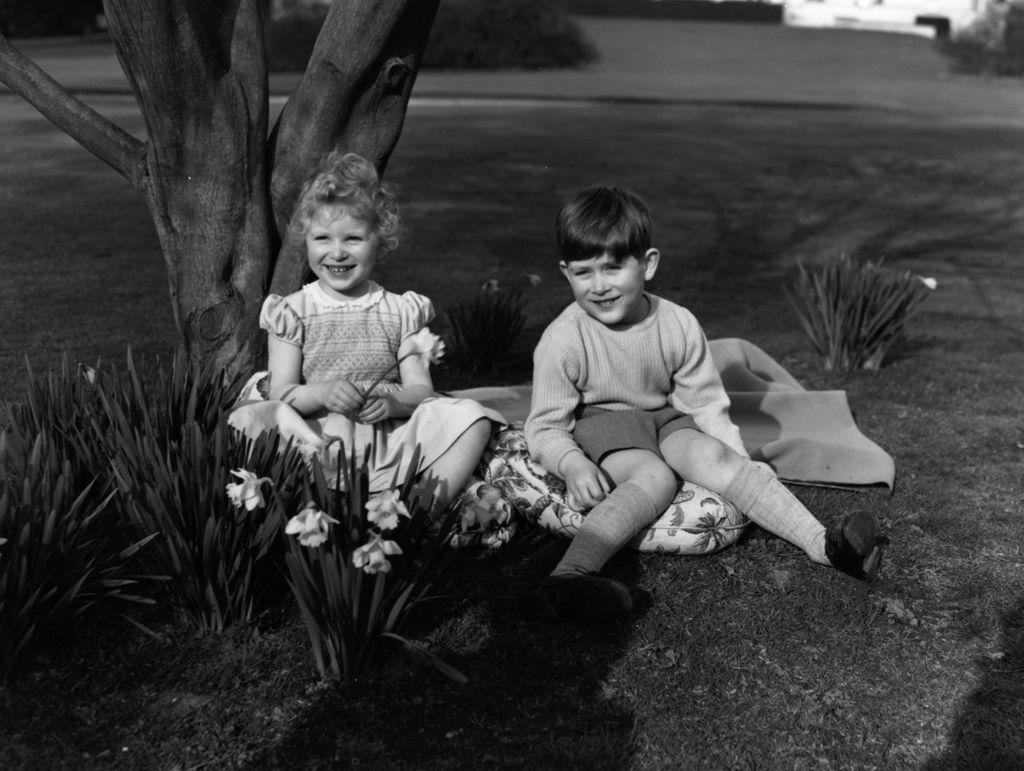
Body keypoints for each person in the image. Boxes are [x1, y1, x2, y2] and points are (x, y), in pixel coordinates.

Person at [523, 185, 888, 622]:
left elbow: (707, 403)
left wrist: (739, 461)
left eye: (613, 268)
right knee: (652, 477)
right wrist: (572, 465)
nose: (599, 286)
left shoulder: (677, 323)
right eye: (584, 273)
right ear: (566, 273)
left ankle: (824, 544)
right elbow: (545, 426)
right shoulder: (563, 339)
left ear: (648, 263)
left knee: (714, 455)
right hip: (605, 423)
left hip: (665, 417)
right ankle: (569, 577)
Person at [241, 151, 500, 512]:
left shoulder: (400, 310)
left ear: (380, 239)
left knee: (473, 418)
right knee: (248, 421)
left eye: (353, 239)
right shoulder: (292, 311)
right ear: (306, 240)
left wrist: (394, 403)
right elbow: (282, 392)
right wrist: (322, 392)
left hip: (387, 433)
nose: (337, 252)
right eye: (322, 239)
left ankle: (420, 510)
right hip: (319, 435)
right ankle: (317, 505)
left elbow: (421, 390)